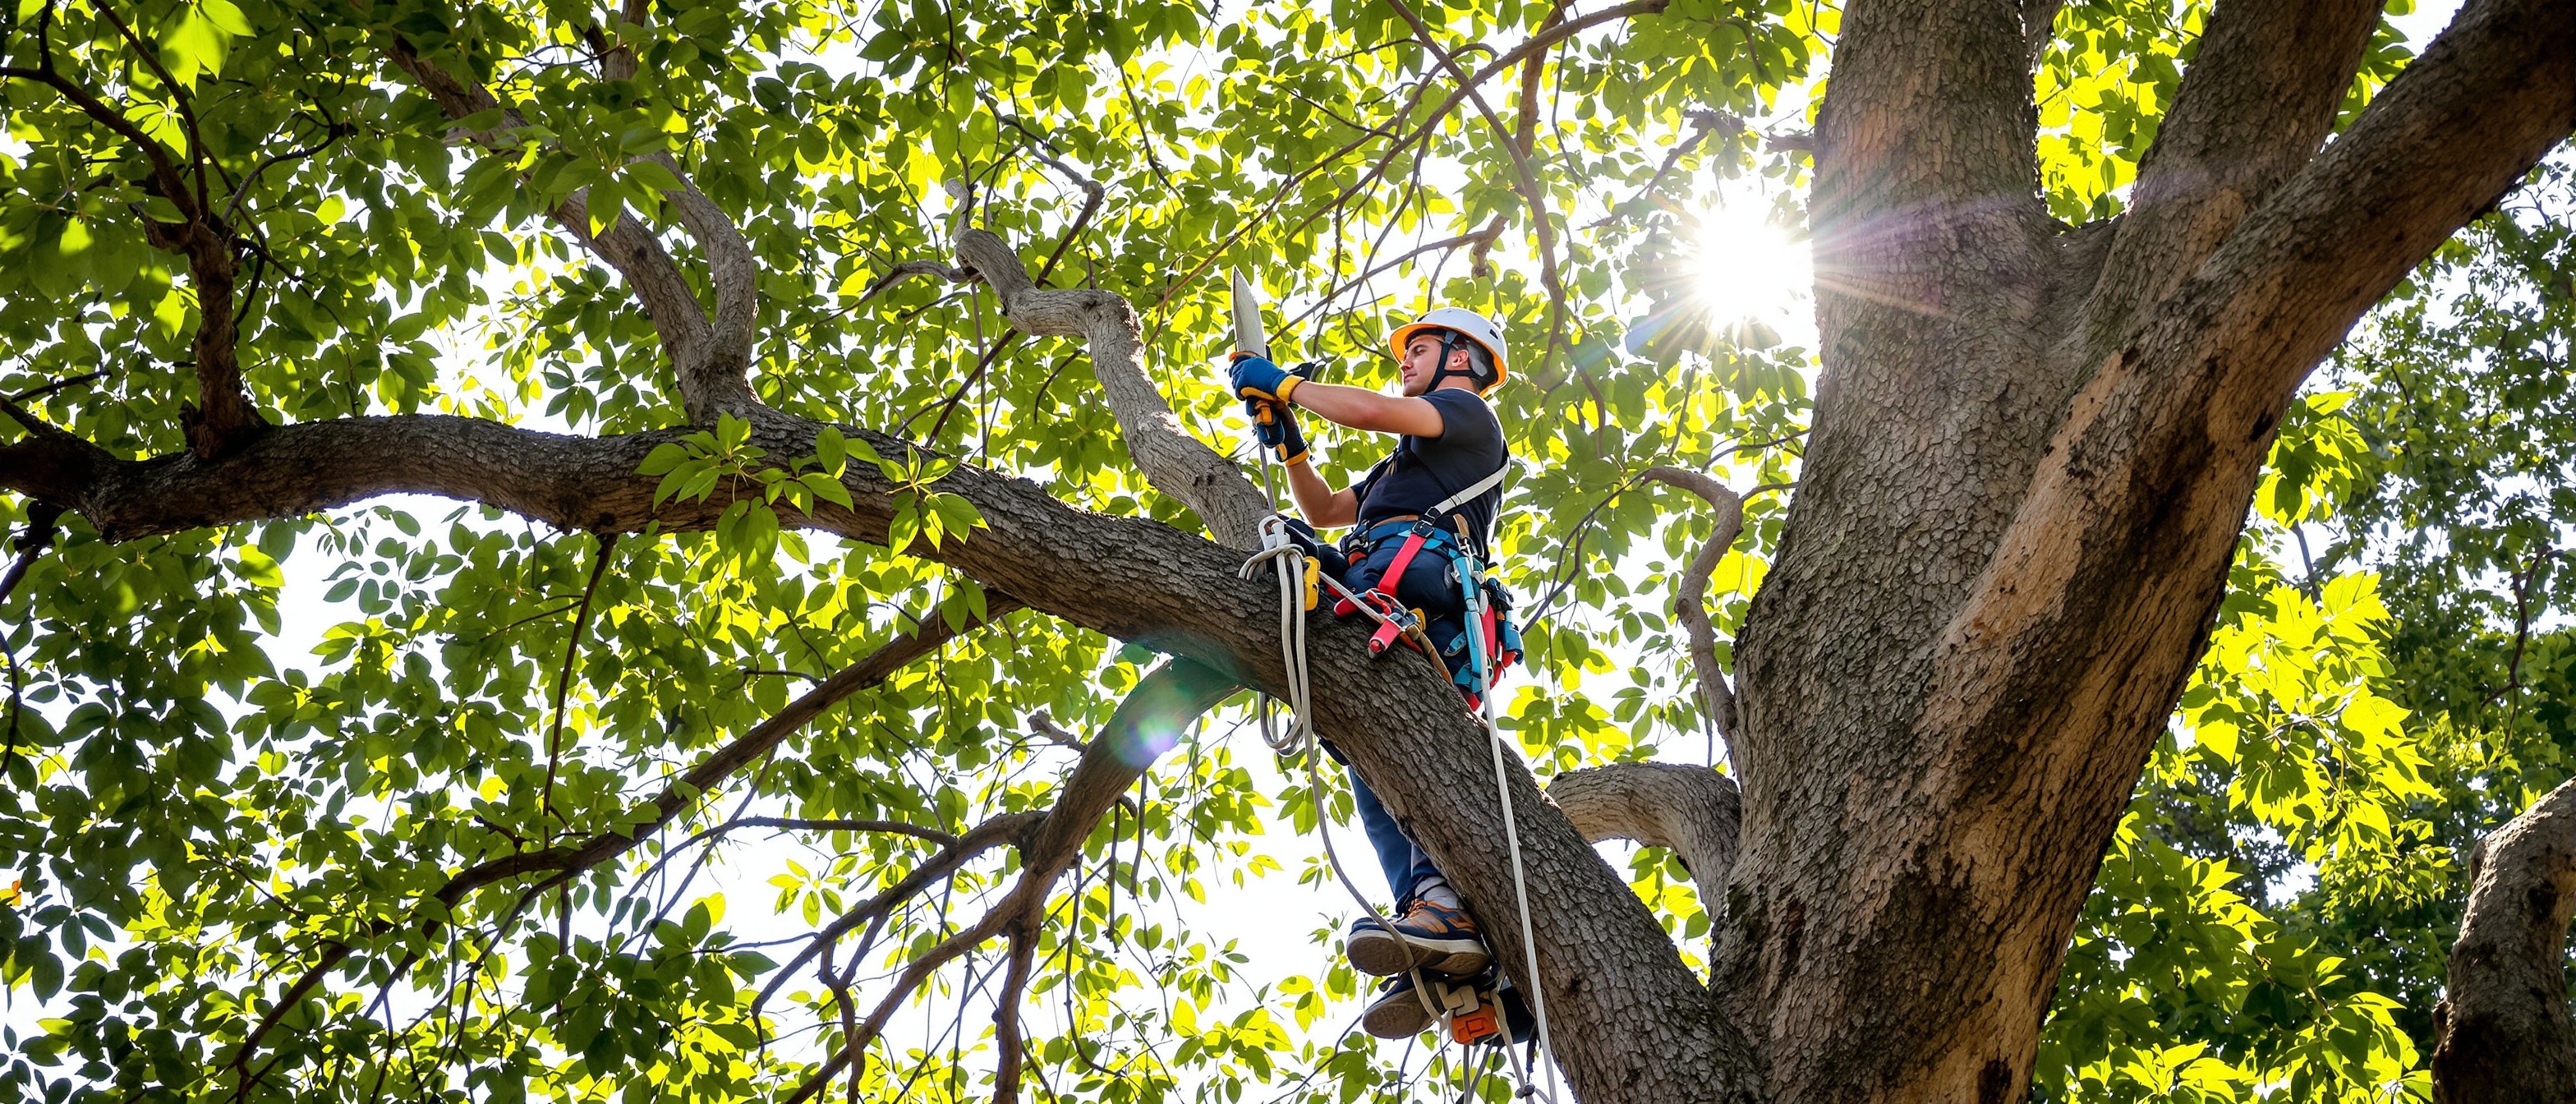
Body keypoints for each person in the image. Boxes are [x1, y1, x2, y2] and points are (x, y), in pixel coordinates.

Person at [1228, 307, 1518, 1039]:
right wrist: (1291, 446)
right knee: (1374, 774)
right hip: (1377, 596)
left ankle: (1446, 913)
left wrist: (1286, 385)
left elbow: (1365, 409)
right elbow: (1324, 508)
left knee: (1402, 764)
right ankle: (1435, 929)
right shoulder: (1402, 466)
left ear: (1465, 358)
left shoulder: (1464, 417)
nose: (1405, 361)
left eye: (1419, 348)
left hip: (1419, 596)